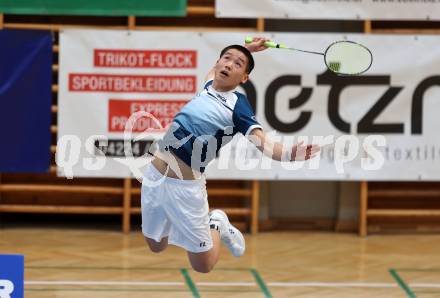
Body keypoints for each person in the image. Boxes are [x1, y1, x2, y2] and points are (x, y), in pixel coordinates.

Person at [141, 38, 320, 273]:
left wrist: (288, 154)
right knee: (156, 245)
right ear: (217, 63)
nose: (229, 64)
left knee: (202, 266)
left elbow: (264, 143)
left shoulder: (238, 107)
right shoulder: (206, 88)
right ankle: (192, 227)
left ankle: (216, 221)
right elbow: (213, 72)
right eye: (226, 58)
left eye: (238, 63)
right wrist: (247, 49)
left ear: (244, 78)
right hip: (155, 177)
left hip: (185, 189)